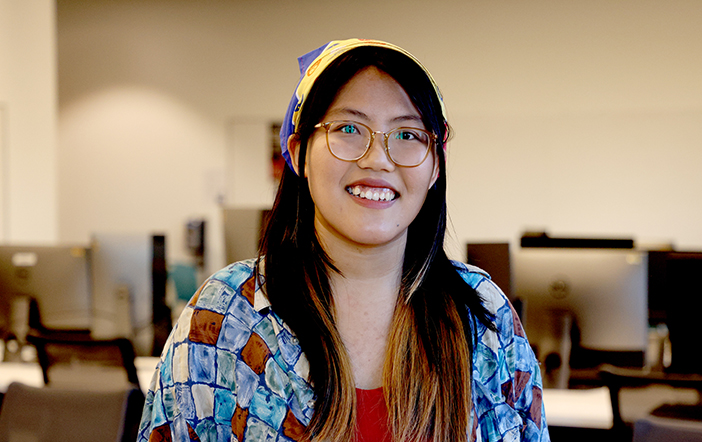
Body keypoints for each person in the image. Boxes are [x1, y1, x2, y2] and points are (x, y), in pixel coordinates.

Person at [137, 38, 548, 442]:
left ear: (435, 166)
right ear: (297, 153)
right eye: (349, 128)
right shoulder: (229, 316)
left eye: (407, 135)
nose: (377, 158)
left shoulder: (480, 313)